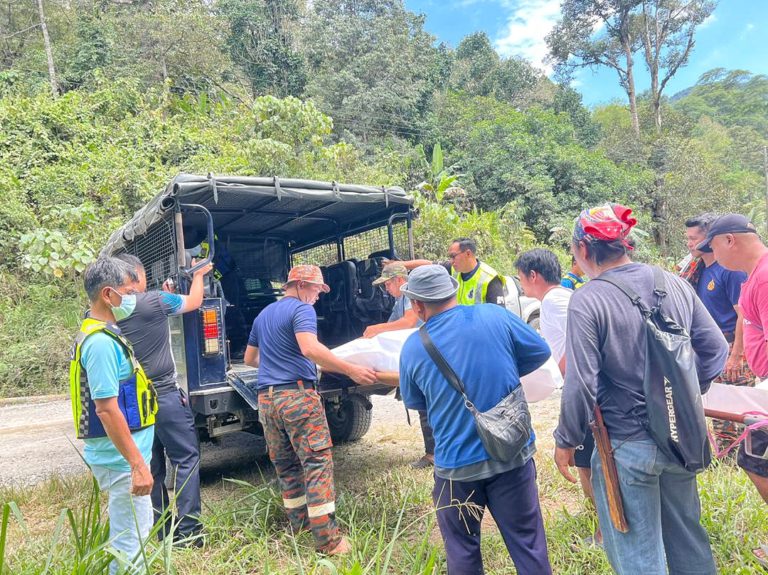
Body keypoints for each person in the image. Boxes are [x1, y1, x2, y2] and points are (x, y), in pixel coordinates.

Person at [553, 203, 727, 575]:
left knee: (637, 557)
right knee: (688, 541)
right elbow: (716, 349)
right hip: (684, 439)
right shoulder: (675, 283)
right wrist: (683, 394)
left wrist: (566, 440)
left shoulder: (589, 299)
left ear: (583, 249)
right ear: (625, 245)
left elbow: (581, 382)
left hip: (627, 446)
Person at [399, 265, 553, 575]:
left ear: (417, 305)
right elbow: (540, 350)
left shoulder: (413, 348)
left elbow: (417, 402)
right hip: (512, 456)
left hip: (456, 469)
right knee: (528, 543)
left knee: (462, 553)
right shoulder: (495, 316)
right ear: (454, 291)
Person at [243, 264, 378, 555]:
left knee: (287, 465)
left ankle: (300, 524)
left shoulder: (265, 314)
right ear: (302, 285)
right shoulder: (302, 310)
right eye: (317, 289)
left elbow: (251, 358)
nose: (318, 295)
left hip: (267, 402)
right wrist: (351, 370)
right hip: (297, 397)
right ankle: (329, 542)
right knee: (317, 464)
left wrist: (280, 364)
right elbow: (309, 348)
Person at [116, 254, 213, 546]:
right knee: (186, 459)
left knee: (153, 466)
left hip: (134, 402)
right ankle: (189, 533)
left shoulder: (110, 311)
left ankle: (162, 531)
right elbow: (194, 302)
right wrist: (199, 275)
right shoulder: (155, 301)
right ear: (135, 277)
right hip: (165, 396)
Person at [70, 257, 156, 575]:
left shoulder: (104, 334)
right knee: (131, 544)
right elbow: (106, 409)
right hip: (120, 462)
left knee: (133, 536)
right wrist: (137, 466)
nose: (133, 298)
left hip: (122, 458)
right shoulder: (100, 345)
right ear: (108, 294)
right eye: (128, 291)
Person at [515, 248, 601, 545]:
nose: (522, 286)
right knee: (588, 460)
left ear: (533, 276)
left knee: (590, 462)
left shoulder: (554, 301)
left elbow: (579, 345)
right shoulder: (560, 298)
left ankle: (603, 529)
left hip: (585, 391)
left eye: (521, 279)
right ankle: (598, 518)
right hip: (585, 388)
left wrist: (563, 375)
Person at [697, 213, 768, 565]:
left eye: (712, 246)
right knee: (753, 460)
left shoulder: (765, 278)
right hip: (763, 385)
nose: (711, 255)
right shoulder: (755, 276)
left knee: (755, 460)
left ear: (729, 241)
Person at [683, 214, 753, 453]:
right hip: (710, 346)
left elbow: (743, 315)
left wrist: (737, 354)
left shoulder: (729, 271)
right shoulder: (698, 270)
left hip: (732, 343)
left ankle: (742, 457)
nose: (691, 244)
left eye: (695, 239)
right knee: (717, 405)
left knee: (736, 407)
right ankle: (725, 455)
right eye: (688, 239)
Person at [361, 263, 432, 469]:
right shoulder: (399, 301)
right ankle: (433, 452)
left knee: (429, 405)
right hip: (418, 354)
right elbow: (392, 326)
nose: (386, 290)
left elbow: (409, 322)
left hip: (428, 354)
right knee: (424, 405)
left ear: (399, 280)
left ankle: (434, 455)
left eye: (387, 285)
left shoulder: (411, 294)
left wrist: (377, 328)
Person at [395, 237, 506, 306]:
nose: (451, 261)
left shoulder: (489, 279)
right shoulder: (454, 269)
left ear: (468, 254)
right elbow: (428, 264)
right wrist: (401, 265)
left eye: (453, 256)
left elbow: (499, 316)